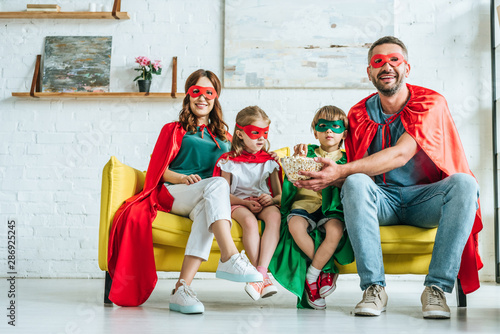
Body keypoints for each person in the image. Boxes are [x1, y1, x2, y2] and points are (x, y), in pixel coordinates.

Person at [294, 36, 482, 319]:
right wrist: (309, 158)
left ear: (407, 67)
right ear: (369, 72)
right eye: (378, 61)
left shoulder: (431, 103)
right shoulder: (358, 114)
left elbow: (400, 155)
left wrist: (342, 171)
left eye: (394, 60)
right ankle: (373, 288)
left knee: (465, 183)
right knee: (356, 181)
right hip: (382, 200)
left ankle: (436, 289)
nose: (387, 66)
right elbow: (340, 157)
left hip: (426, 198)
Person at [107, 69, 263, 314]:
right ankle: (230, 256)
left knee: (207, 210)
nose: (202, 98)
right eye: (196, 91)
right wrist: (182, 177)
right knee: (216, 185)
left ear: (216, 97)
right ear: (188, 95)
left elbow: (241, 170)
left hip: (206, 196)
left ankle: (181, 290)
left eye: (208, 93)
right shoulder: (173, 129)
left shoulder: (225, 137)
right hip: (174, 193)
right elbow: (158, 169)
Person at [269, 105, 354, 310]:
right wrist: (290, 161)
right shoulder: (305, 150)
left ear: (344, 132)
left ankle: (312, 274)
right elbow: (289, 173)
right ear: (315, 131)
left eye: (335, 126)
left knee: (335, 230)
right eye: (323, 126)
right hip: (304, 205)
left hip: (330, 207)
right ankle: (327, 268)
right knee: (295, 226)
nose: (329, 131)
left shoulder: (349, 158)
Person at [213, 106, 282, 301]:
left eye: (265, 133)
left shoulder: (270, 161)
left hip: (263, 203)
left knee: (275, 216)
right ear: (240, 133)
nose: (261, 138)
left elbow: (279, 195)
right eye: (255, 132)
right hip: (237, 203)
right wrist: (243, 202)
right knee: (250, 222)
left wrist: (271, 199)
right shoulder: (227, 161)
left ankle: (260, 273)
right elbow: (222, 193)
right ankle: (261, 277)